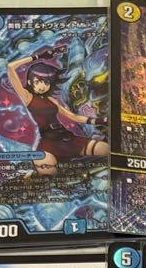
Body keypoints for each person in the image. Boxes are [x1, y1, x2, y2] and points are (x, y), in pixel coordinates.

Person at [6, 46, 107, 176]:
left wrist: (99, 120)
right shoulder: (28, 97)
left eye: (46, 82)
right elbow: (10, 67)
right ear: (30, 82)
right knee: (48, 175)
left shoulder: (51, 100)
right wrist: (37, 57)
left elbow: (73, 117)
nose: (42, 86)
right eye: (38, 81)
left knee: (105, 149)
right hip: (48, 144)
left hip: (68, 137)